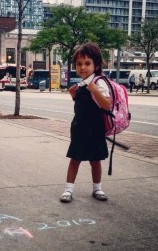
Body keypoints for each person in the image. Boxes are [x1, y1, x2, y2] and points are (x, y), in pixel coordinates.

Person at [60, 43, 111, 203]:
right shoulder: (82, 83)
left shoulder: (98, 82)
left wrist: (95, 90)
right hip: (79, 129)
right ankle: (68, 190)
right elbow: (83, 106)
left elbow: (107, 105)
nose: (83, 67)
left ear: (96, 65)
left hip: (95, 130)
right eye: (79, 64)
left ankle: (98, 188)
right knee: (75, 159)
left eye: (87, 63)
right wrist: (74, 96)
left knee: (95, 161)